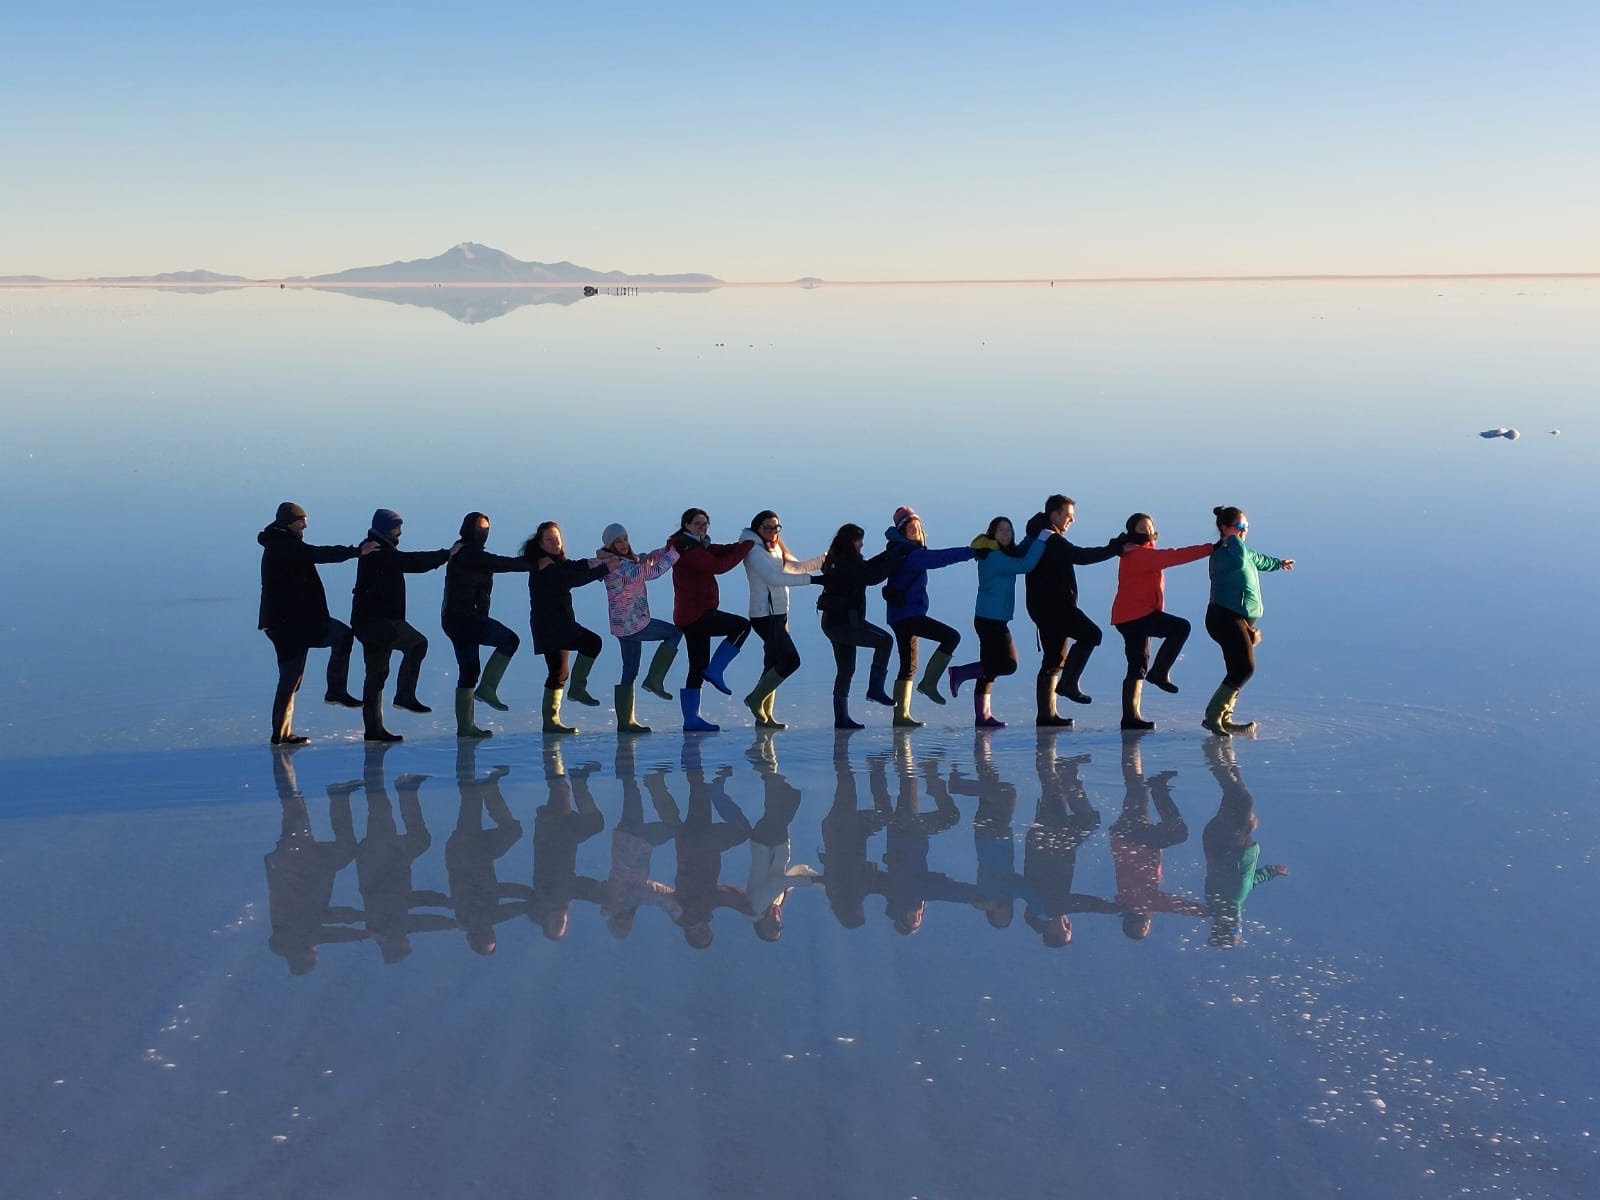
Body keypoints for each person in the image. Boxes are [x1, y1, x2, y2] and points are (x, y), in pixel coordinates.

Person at [257, 501, 363, 745]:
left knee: (290, 678)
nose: (304, 525)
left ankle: (281, 734)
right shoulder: (284, 546)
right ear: (288, 523)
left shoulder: (280, 543)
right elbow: (320, 554)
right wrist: (357, 551)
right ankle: (335, 690)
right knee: (342, 636)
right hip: (293, 625)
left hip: (286, 623)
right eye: (300, 521)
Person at [1023, 494, 1125, 727]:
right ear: (1054, 515)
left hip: (1042, 606)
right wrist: (1115, 549)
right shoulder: (1049, 538)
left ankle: (1046, 715)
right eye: (1068, 516)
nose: (1072, 520)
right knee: (1091, 635)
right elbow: (1080, 556)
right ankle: (1068, 684)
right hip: (1055, 606)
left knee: (1053, 658)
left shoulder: (1039, 534)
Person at [352, 508, 450, 743]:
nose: (400, 532)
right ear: (386, 529)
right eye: (397, 528)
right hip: (380, 622)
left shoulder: (378, 548)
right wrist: (446, 555)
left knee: (376, 674)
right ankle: (405, 696)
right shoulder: (377, 550)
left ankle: (374, 730)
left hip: (367, 622)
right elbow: (411, 562)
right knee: (417, 644)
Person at [947, 516, 1055, 728]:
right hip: (990, 620)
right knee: (1007, 664)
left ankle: (983, 716)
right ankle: (960, 672)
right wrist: (1041, 541)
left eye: (1009, 530)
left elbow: (1018, 553)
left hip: (991, 617)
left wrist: (1032, 537)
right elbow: (1025, 564)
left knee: (989, 668)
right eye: (1000, 530)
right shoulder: (993, 557)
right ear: (992, 534)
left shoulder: (1000, 552)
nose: (1006, 534)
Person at [1110, 513, 1213, 731]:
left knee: (1137, 664)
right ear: (1132, 533)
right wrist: (1210, 548)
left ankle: (1130, 718)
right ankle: (1159, 673)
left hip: (1129, 616)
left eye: (1149, 527)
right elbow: (1176, 556)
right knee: (1180, 628)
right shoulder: (1139, 554)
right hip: (1136, 615)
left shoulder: (1134, 552)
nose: (1147, 531)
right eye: (1141, 528)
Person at [1203, 506, 1295, 735]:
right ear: (1224, 528)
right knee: (1245, 667)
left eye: (1246, 527)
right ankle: (1213, 715)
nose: (1244, 531)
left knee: (1237, 669)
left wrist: (1278, 563)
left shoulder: (1242, 551)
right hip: (1223, 616)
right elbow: (1240, 560)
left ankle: (1224, 718)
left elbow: (1259, 559)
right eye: (1240, 526)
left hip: (1240, 618)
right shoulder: (1222, 554)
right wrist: (1232, 539)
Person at [882, 506, 977, 728]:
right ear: (902, 531)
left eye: (917, 525)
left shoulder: (898, 550)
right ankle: (929, 684)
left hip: (899, 615)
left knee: (908, 665)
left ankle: (901, 716)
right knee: (951, 637)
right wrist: (972, 552)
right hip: (908, 615)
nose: (915, 529)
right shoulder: (911, 554)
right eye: (909, 527)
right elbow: (941, 558)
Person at [441, 512, 529, 739]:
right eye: (480, 528)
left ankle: (466, 727)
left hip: (455, 620)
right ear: (468, 529)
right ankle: (488, 688)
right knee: (509, 640)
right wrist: (532, 563)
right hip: (465, 619)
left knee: (469, 670)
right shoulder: (468, 553)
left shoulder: (466, 551)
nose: (484, 533)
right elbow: (501, 563)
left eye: (487, 529)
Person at [669, 508, 756, 732]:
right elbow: (719, 566)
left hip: (691, 615)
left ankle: (691, 720)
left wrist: (741, 544)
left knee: (697, 666)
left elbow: (719, 551)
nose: (702, 527)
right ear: (686, 525)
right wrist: (747, 547)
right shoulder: (687, 549)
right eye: (697, 524)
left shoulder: (697, 544)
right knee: (742, 626)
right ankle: (716, 670)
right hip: (697, 614)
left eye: (705, 523)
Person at [523, 520, 612, 735]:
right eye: (549, 540)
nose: (555, 543)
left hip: (552, 625)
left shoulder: (556, 562)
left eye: (557, 538)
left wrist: (596, 562)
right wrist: (604, 568)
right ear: (540, 544)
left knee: (558, 672)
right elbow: (572, 579)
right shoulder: (545, 565)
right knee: (592, 643)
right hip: (553, 625)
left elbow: (574, 566)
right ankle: (577, 689)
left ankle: (551, 722)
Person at [738, 510, 824, 729]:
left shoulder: (774, 547)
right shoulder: (753, 550)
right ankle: (755, 699)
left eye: (776, 527)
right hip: (764, 615)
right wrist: (814, 581)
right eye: (767, 527)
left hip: (779, 614)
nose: (772, 531)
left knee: (773, 662)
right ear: (757, 528)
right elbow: (773, 578)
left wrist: (825, 559)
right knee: (790, 661)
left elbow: (795, 567)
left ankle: (765, 717)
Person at [595, 522, 681, 734]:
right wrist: (674, 554)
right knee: (674, 632)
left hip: (622, 626)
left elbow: (647, 558)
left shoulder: (624, 561)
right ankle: (654, 680)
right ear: (610, 544)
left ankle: (626, 722)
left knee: (630, 670)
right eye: (618, 541)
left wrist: (668, 548)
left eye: (625, 539)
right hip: (633, 624)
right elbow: (653, 571)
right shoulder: (619, 566)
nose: (623, 544)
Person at [1202, 737, 1288, 946]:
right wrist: (1272, 872)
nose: (1239, 929)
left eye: (1236, 931)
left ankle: (1213, 753)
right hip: (1221, 840)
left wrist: (1221, 925)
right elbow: (1251, 881)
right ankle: (1227, 754)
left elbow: (1225, 876)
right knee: (1235, 794)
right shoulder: (1233, 898)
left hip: (1224, 842)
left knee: (1243, 799)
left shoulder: (1225, 900)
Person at [815, 524, 895, 730]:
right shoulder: (849, 563)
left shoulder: (837, 559)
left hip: (833, 623)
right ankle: (875, 689)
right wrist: (895, 561)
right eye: (859, 540)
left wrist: (887, 554)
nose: (862, 544)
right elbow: (872, 576)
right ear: (850, 542)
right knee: (885, 641)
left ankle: (841, 718)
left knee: (846, 669)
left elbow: (867, 567)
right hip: (846, 624)